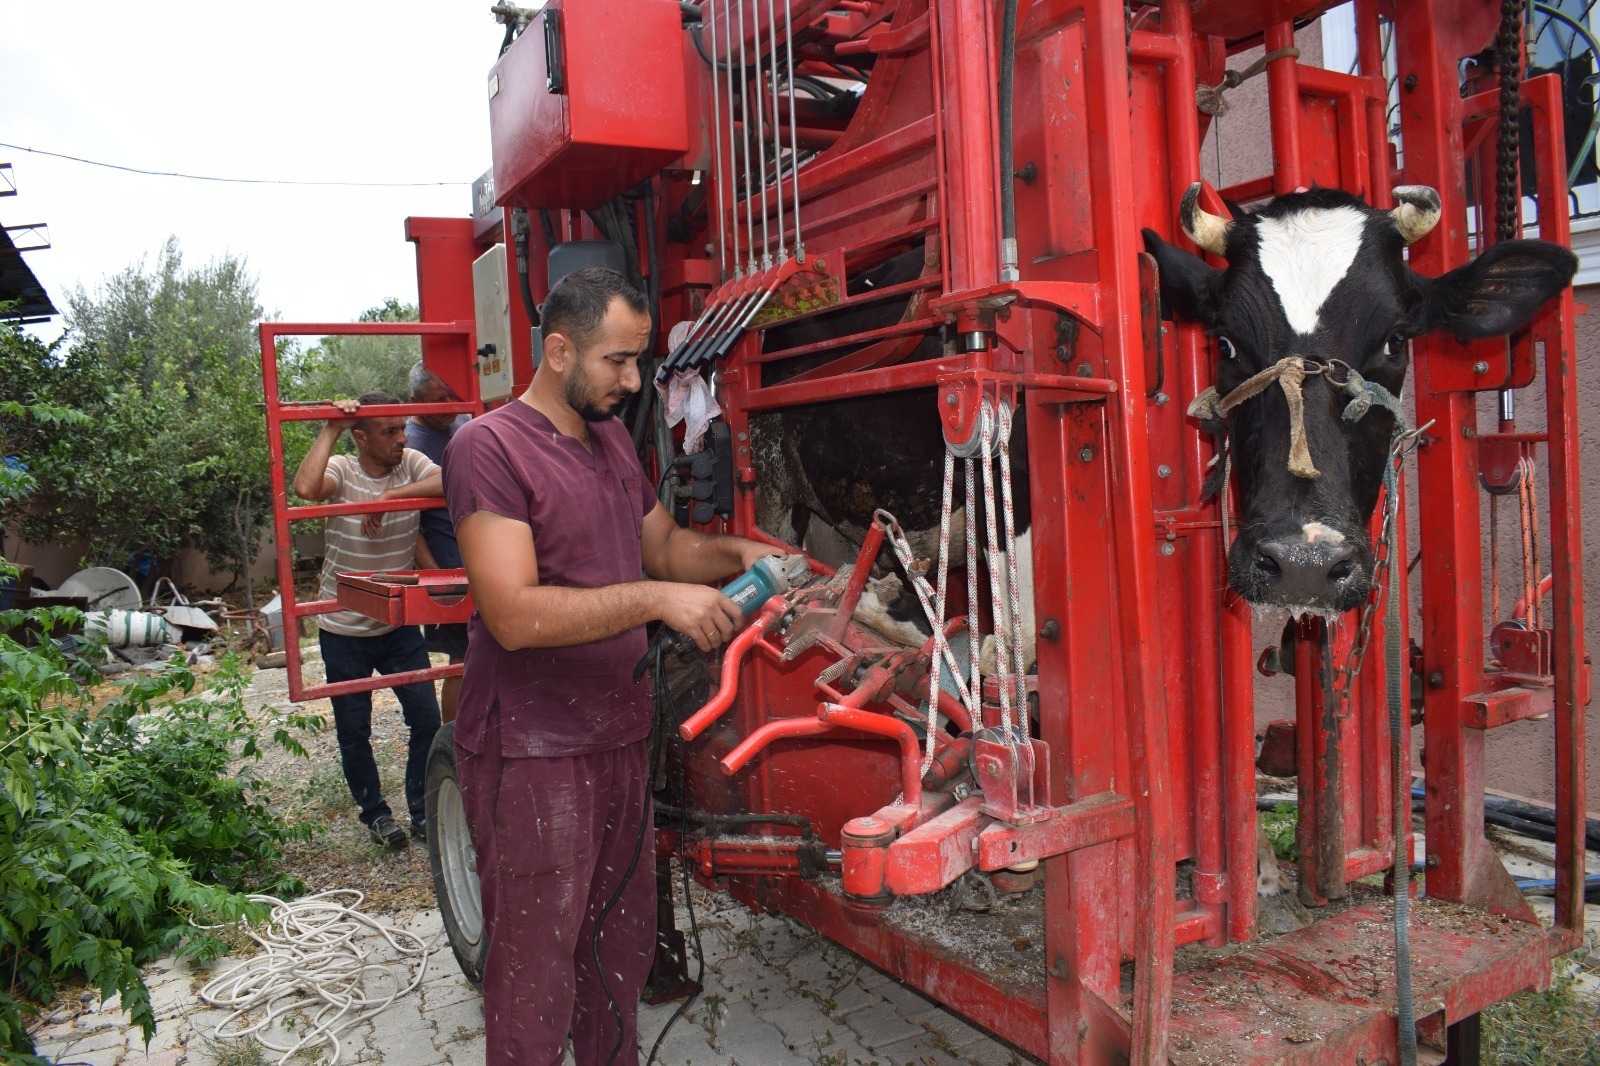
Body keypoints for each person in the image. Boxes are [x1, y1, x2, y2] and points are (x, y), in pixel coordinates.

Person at [443, 268, 776, 1064]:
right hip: (533, 751)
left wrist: (738, 551)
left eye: (638, 364)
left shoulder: (613, 441)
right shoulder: (487, 448)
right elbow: (514, 614)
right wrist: (658, 600)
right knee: (535, 975)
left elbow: (662, 547)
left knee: (615, 956)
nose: (632, 383)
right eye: (616, 363)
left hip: (618, 738)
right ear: (558, 351)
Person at [293, 391, 444, 849]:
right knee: (354, 728)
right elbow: (304, 488)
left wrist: (390, 498)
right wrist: (331, 425)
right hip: (343, 628)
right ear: (360, 437)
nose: (401, 438)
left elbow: (452, 479)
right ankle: (376, 815)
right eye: (389, 431)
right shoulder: (343, 467)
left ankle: (422, 810)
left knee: (425, 717)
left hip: (397, 623)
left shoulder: (411, 464)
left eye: (403, 428)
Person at [404, 362, 469, 722]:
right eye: (437, 399)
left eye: (453, 396)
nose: (449, 406)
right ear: (414, 402)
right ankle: (453, 740)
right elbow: (409, 526)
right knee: (461, 660)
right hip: (450, 571)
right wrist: (437, 578)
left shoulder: (461, 421)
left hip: (483, 562)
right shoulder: (411, 444)